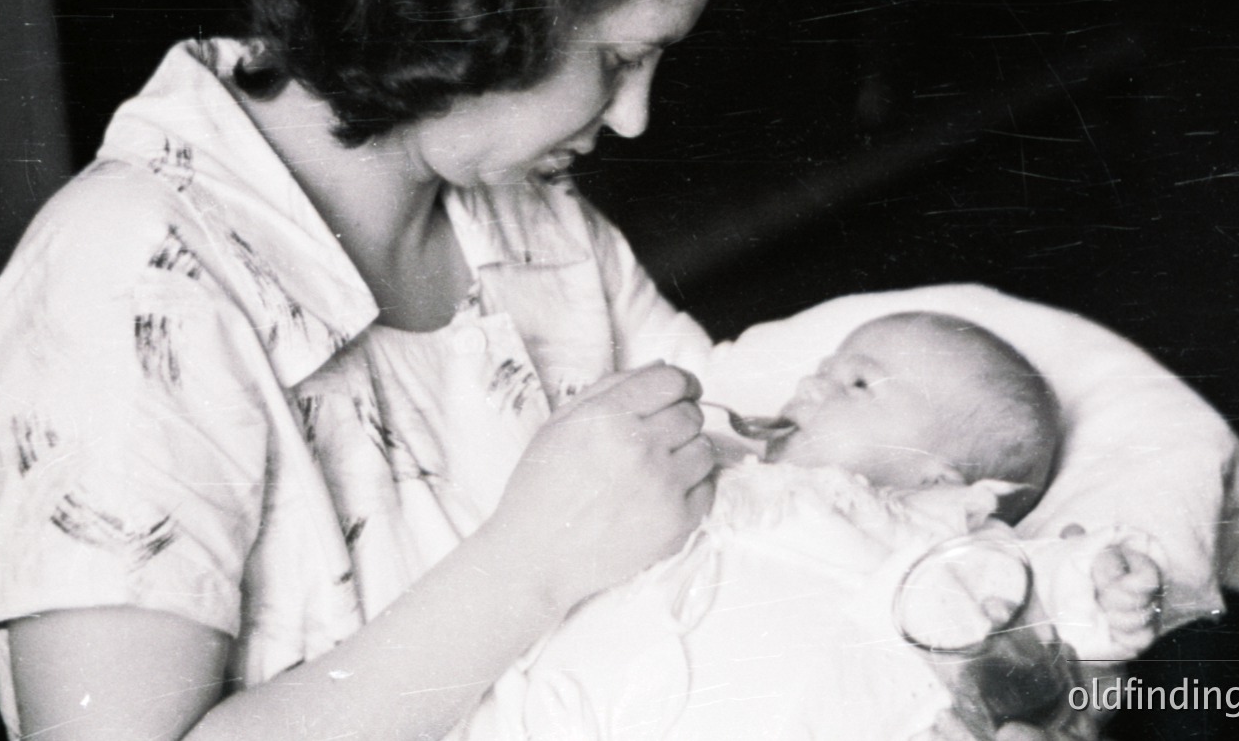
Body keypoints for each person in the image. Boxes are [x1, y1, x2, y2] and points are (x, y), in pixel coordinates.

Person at [0, 0, 834, 741]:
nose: (635, 118)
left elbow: (741, 466)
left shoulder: (527, 214)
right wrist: (530, 565)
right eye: (617, 59)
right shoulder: (130, 285)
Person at [496, 312, 1165, 741]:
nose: (811, 385)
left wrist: (1099, 585)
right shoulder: (722, 467)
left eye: (858, 384)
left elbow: (1033, 597)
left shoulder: (938, 537)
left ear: (939, 477)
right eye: (820, 371)